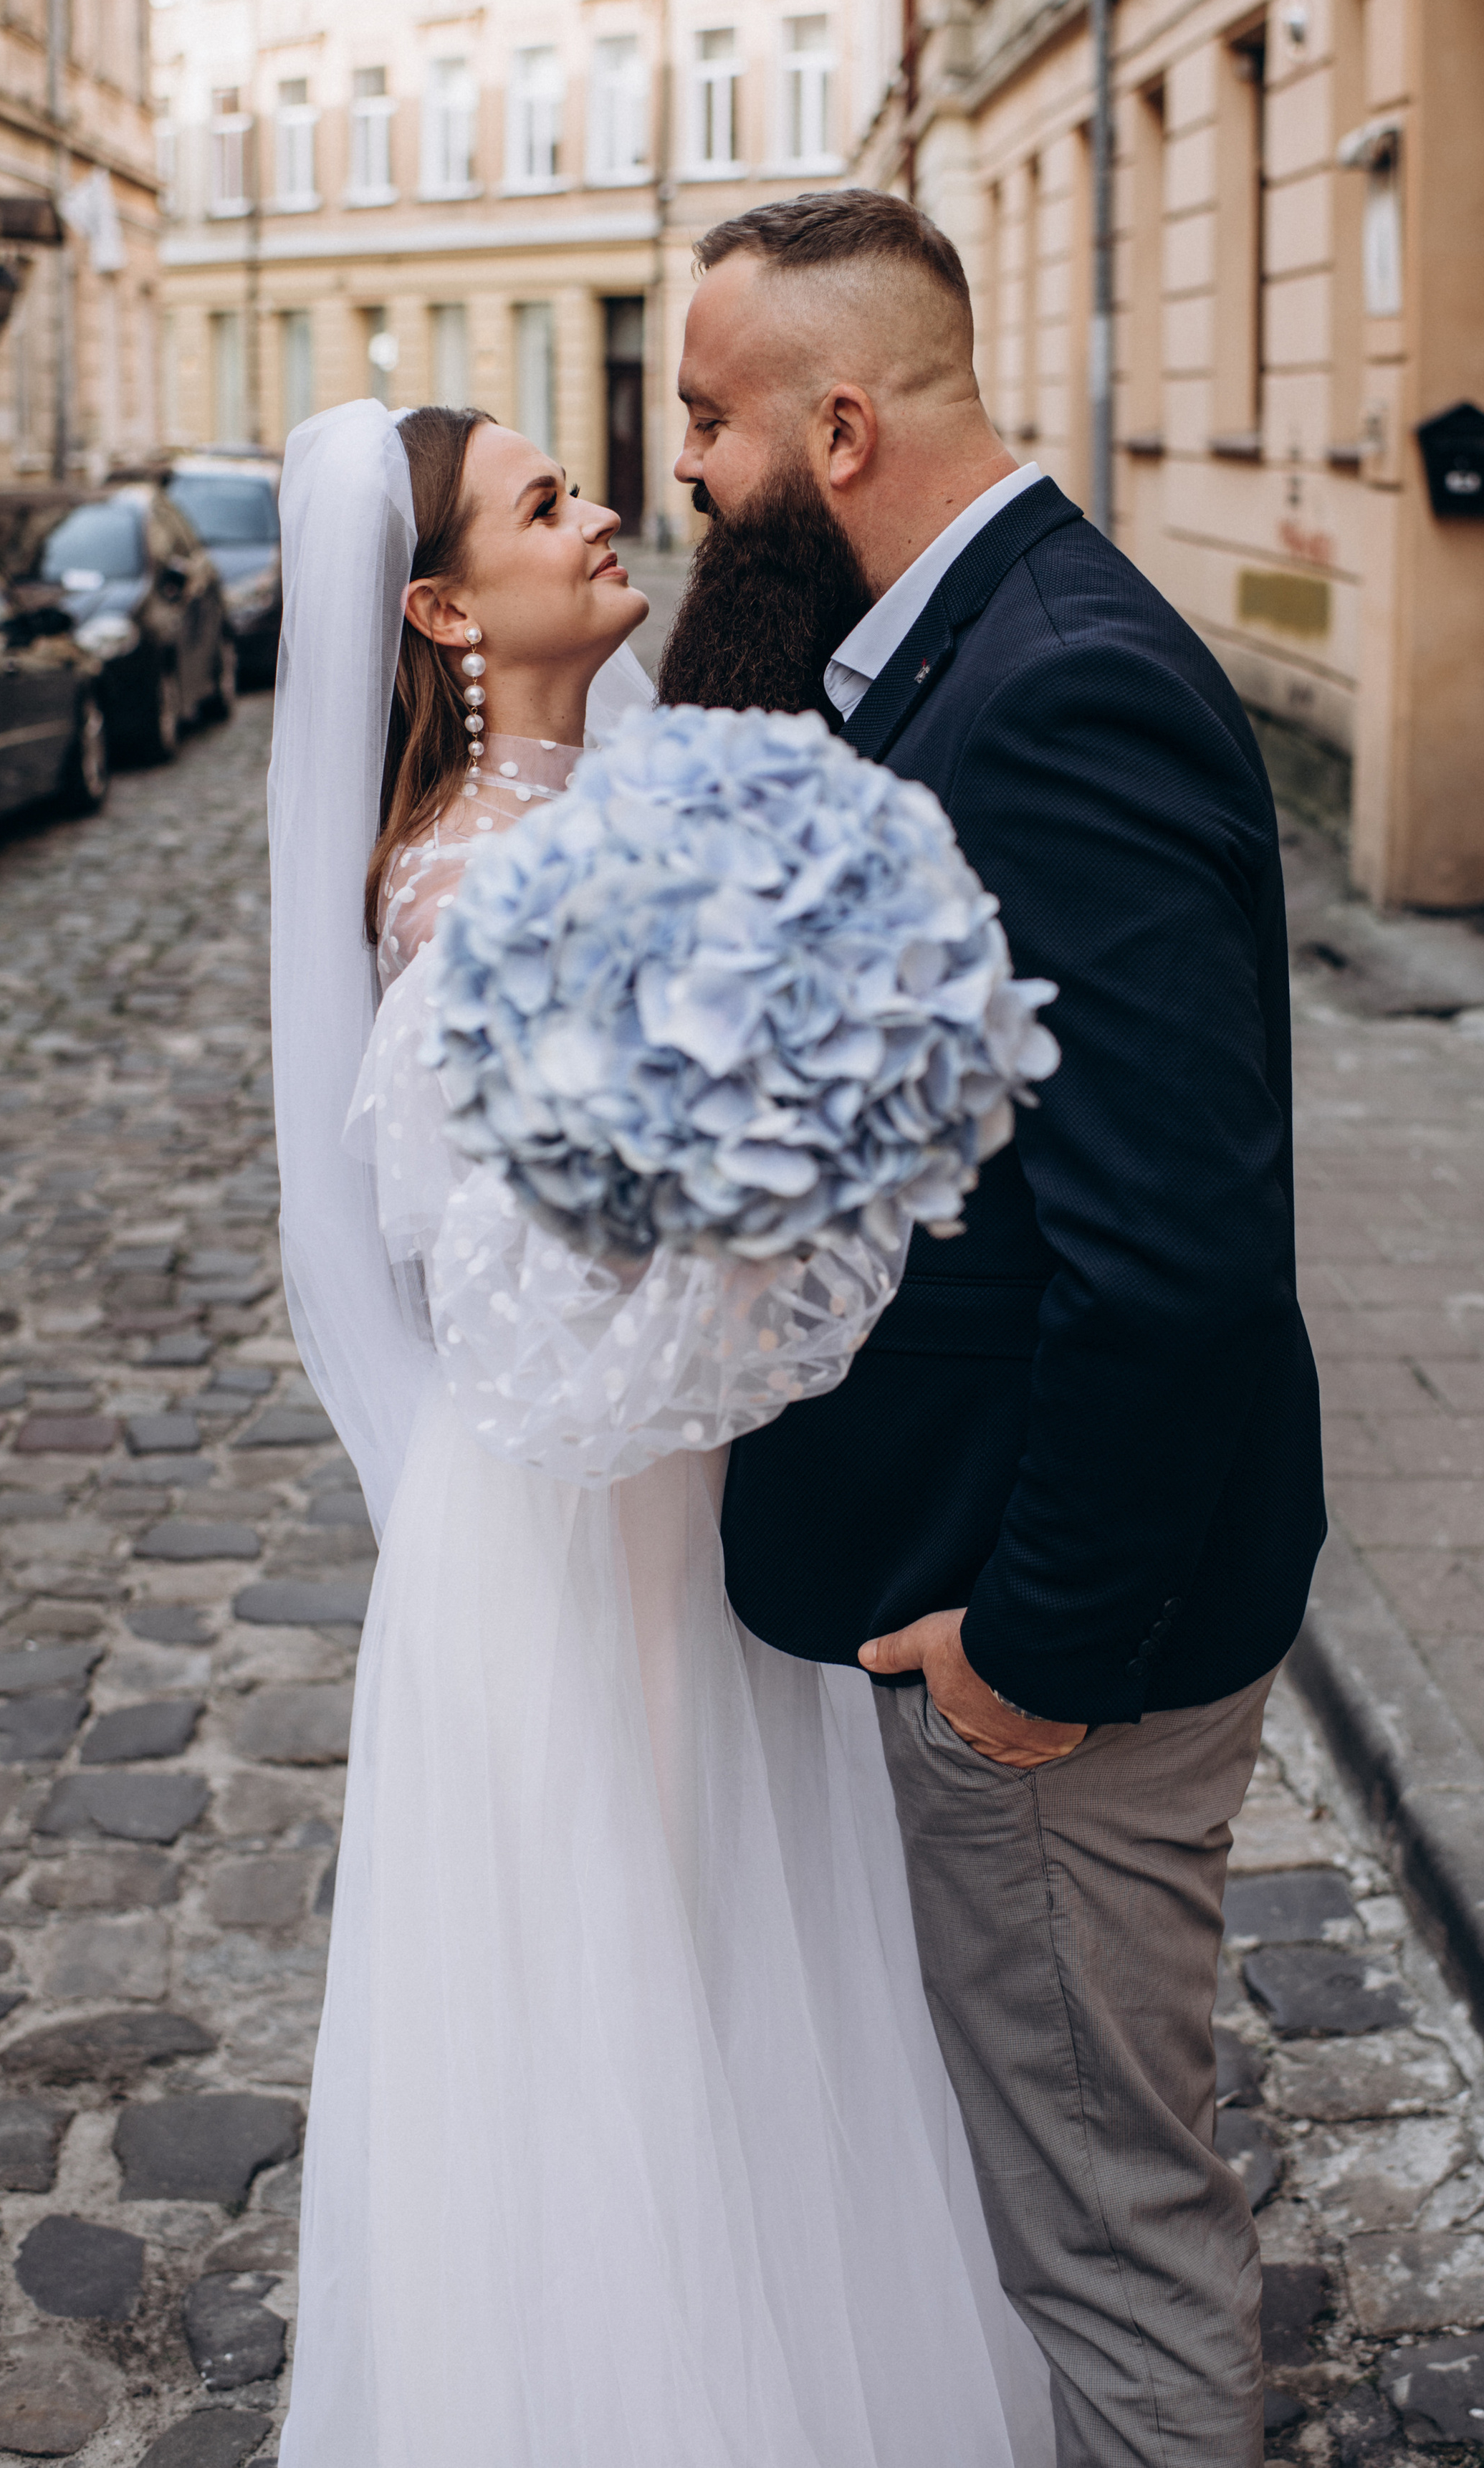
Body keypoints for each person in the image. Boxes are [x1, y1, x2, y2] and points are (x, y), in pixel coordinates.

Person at [268, 396, 1053, 2467]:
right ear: (444, 611)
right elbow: (532, 1330)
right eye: (546, 504)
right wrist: (779, 1222)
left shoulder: (643, 804)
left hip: (687, 1527)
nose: (607, 506)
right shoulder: (459, 889)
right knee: (623, 2015)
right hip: (569, 1543)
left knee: (748, 1991)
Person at [662, 189, 1328, 2468]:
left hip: (1063, 1654)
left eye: (710, 422)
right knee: (1049, 2195)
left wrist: (1028, 1663)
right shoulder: (957, 655)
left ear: (839, 431)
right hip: (1000, 1597)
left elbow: (1182, 1263)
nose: (685, 471)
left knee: (1108, 2233)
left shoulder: (1057, 694)